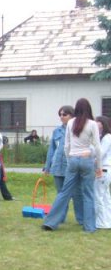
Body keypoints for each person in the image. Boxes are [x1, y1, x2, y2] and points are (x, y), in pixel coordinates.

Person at [43, 98, 102, 233]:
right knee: (88, 194)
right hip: (87, 160)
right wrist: (98, 167)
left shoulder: (70, 123)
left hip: (73, 159)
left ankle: (50, 222)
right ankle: (89, 227)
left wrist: (70, 160)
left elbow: (66, 146)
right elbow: (97, 147)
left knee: (64, 192)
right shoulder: (92, 124)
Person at [43, 106, 81, 224]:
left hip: (72, 166)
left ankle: (81, 219)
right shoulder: (57, 131)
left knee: (76, 193)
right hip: (57, 166)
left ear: (72, 115)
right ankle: (60, 217)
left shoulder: (77, 129)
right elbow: (51, 150)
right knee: (61, 194)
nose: (61, 117)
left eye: (64, 114)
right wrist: (47, 166)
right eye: (60, 114)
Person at [95, 115, 111, 229]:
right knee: (105, 196)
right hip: (105, 169)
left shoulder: (107, 138)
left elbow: (100, 154)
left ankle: (101, 222)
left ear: (102, 124)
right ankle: (107, 221)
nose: (95, 123)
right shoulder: (103, 137)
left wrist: (92, 160)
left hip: (104, 169)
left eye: (97, 122)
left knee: (99, 196)